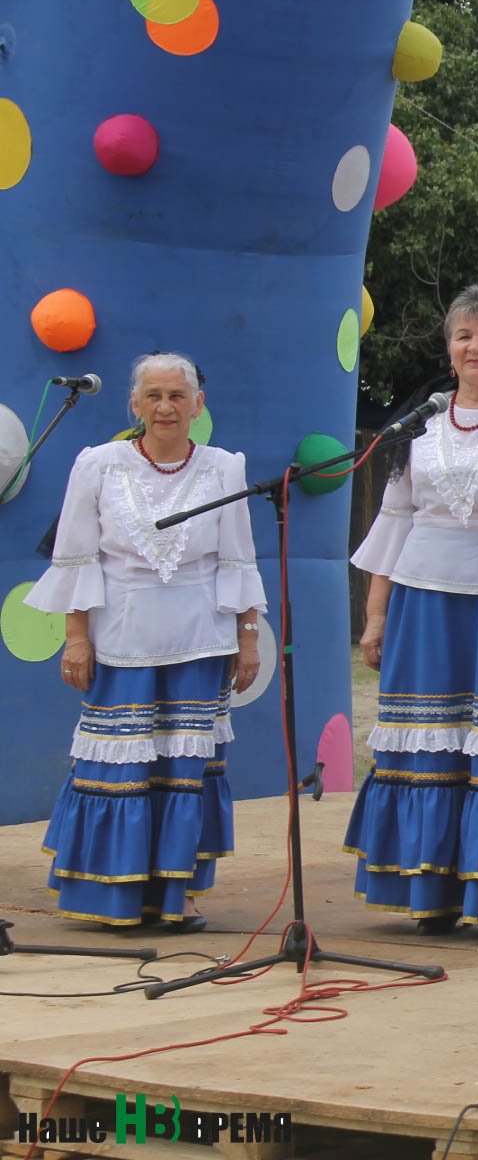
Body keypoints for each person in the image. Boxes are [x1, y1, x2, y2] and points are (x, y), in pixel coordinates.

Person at [343, 285, 478, 934]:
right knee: (427, 741)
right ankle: (428, 888)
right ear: (449, 348)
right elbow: (394, 522)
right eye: (465, 335)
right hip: (423, 603)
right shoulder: (420, 424)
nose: (476, 346)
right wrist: (376, 616)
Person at [29, 353, 266, 930]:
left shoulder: (223, 468)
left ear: (198, 406)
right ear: (134, 405)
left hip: (199, 640)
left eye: (177, 397)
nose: (165, 407)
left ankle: (174, 892)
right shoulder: (99, 465)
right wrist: (76, 638)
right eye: (154, 396)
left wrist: (248, 639)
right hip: (120, 639)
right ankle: (112, 893)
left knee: (183, 770)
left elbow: (238, 559)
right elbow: (77, 557)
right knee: (122, 766)